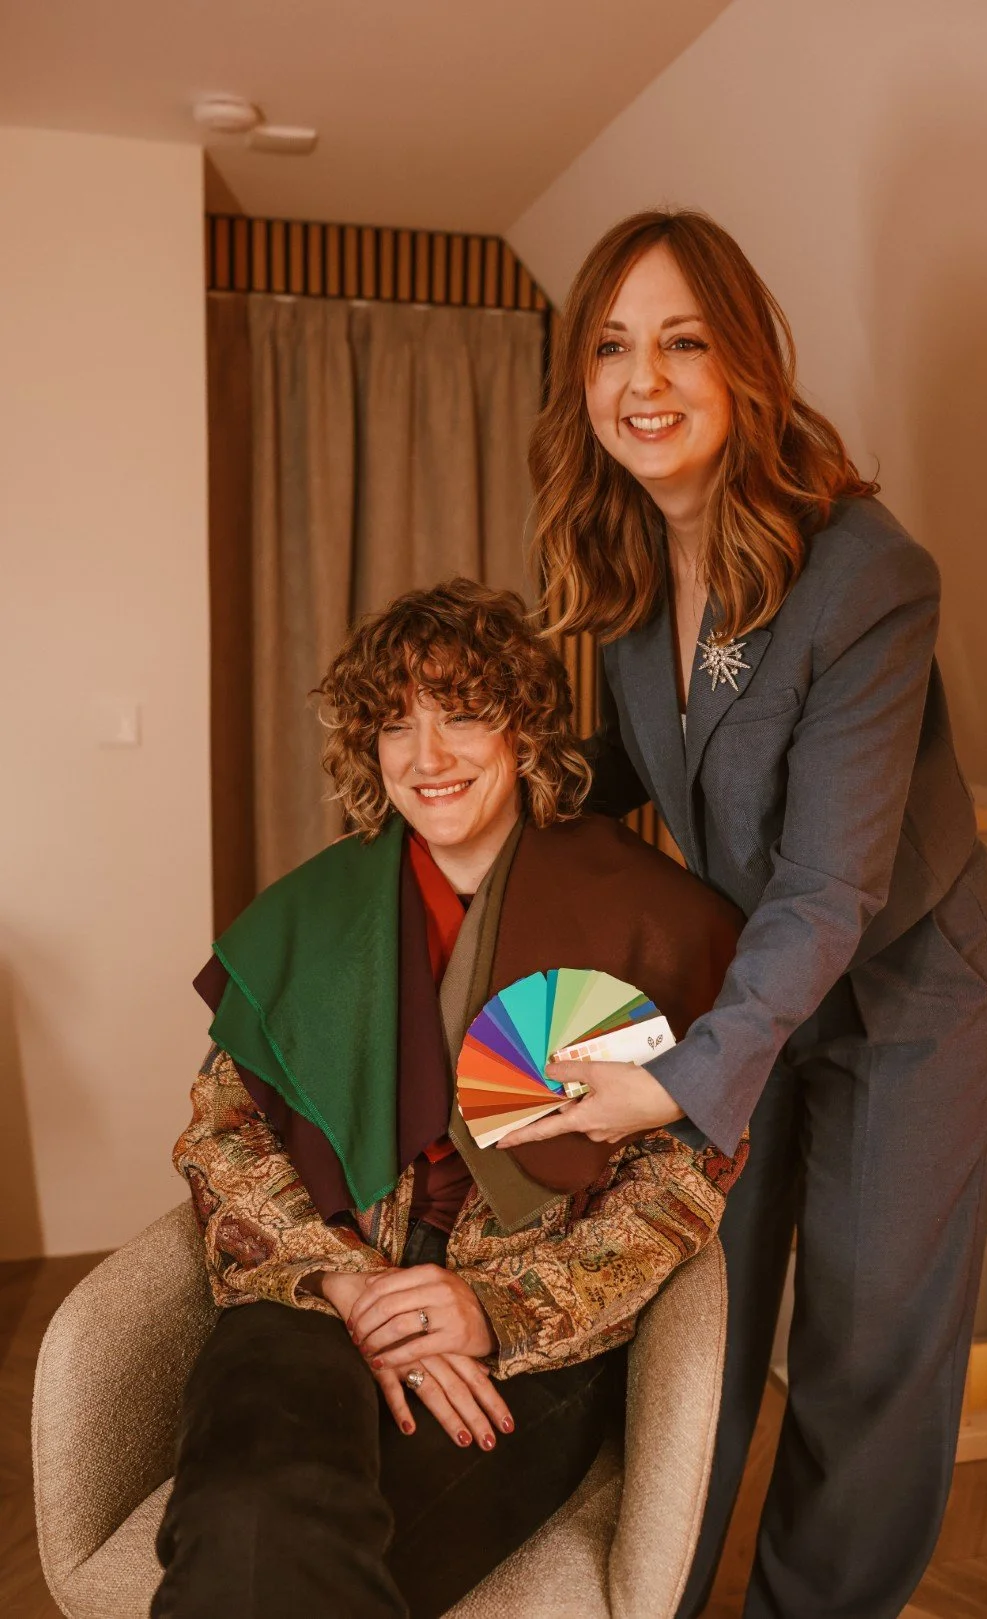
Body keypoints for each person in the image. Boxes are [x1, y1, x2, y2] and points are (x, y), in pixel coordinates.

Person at [506, 210, 987, 1619]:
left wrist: (677, 1080)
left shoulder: (866, 573)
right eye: (612, 346)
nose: (643, 380)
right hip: (757, 971)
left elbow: (831, 885)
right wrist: (494, 791)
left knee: (861, 1350)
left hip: (909, 988)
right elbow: (642, 760)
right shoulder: (630, 560)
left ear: (745, 365)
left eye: (682, 342)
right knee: (704, 1317)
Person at [152, 579, 746, 1619]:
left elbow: (681, 1182)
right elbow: (224, 1136)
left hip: (525, 1331)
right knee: (246, 1520)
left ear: (524, 727)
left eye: (463, 713)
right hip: (316, 1295)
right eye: (395, 723)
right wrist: (349, 1286)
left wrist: (494, 1310)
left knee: (305, 1569)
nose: (428, 756)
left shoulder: (649, 915)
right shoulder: (312, 913)